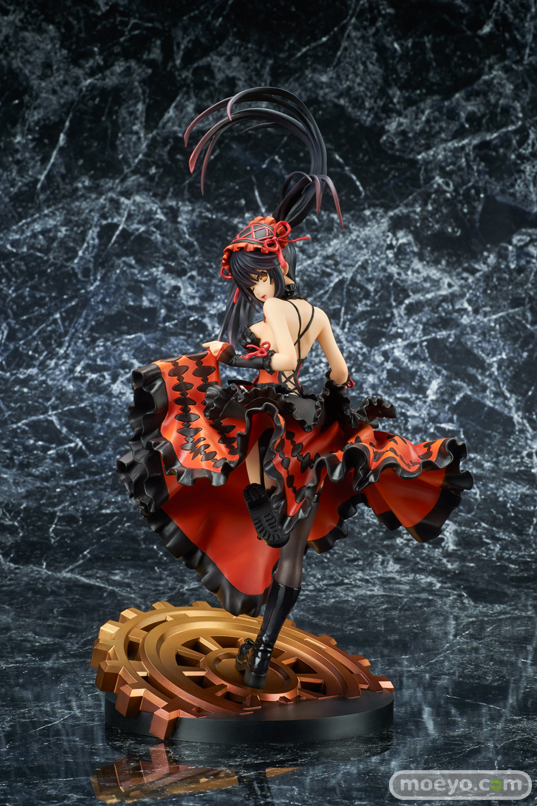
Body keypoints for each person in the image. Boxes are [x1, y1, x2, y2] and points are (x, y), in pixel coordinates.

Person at [118, 89, 473, 690]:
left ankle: (262, 505)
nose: (253, 290)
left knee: (218, 438)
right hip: (309, 425)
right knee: (291, 549)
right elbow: (339, 373)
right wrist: (339, 404)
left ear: (272, 272)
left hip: (272, 412)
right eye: (248, 283)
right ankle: (261, 651)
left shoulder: (275, 311)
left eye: (255, 280)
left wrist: (244, 354)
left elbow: (281, 360)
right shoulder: (317, 314)